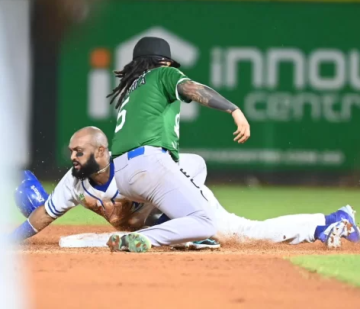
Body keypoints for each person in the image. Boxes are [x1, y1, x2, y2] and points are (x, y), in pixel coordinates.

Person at [11, 127, 359, 250]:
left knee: (241, 232)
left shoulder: (137, 165)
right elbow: (39, 218)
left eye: (79, 151)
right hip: (164, 219)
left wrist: (141, 214)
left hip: (189, 199)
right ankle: (190, 239)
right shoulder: (73, 183)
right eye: (71, 151)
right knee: (137, 231)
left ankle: (327, 221)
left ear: (101, 152)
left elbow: (194, 166)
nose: (71, 157)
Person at [105, 36, 252, 252]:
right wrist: (234, 110)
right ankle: (144, 237)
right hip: (149, 164)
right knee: (206, 222)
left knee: (196, 164)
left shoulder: (132, 89)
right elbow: (194, 89)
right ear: (164, 61)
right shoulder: (163, 74)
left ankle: (174, 225)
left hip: (122, 174)